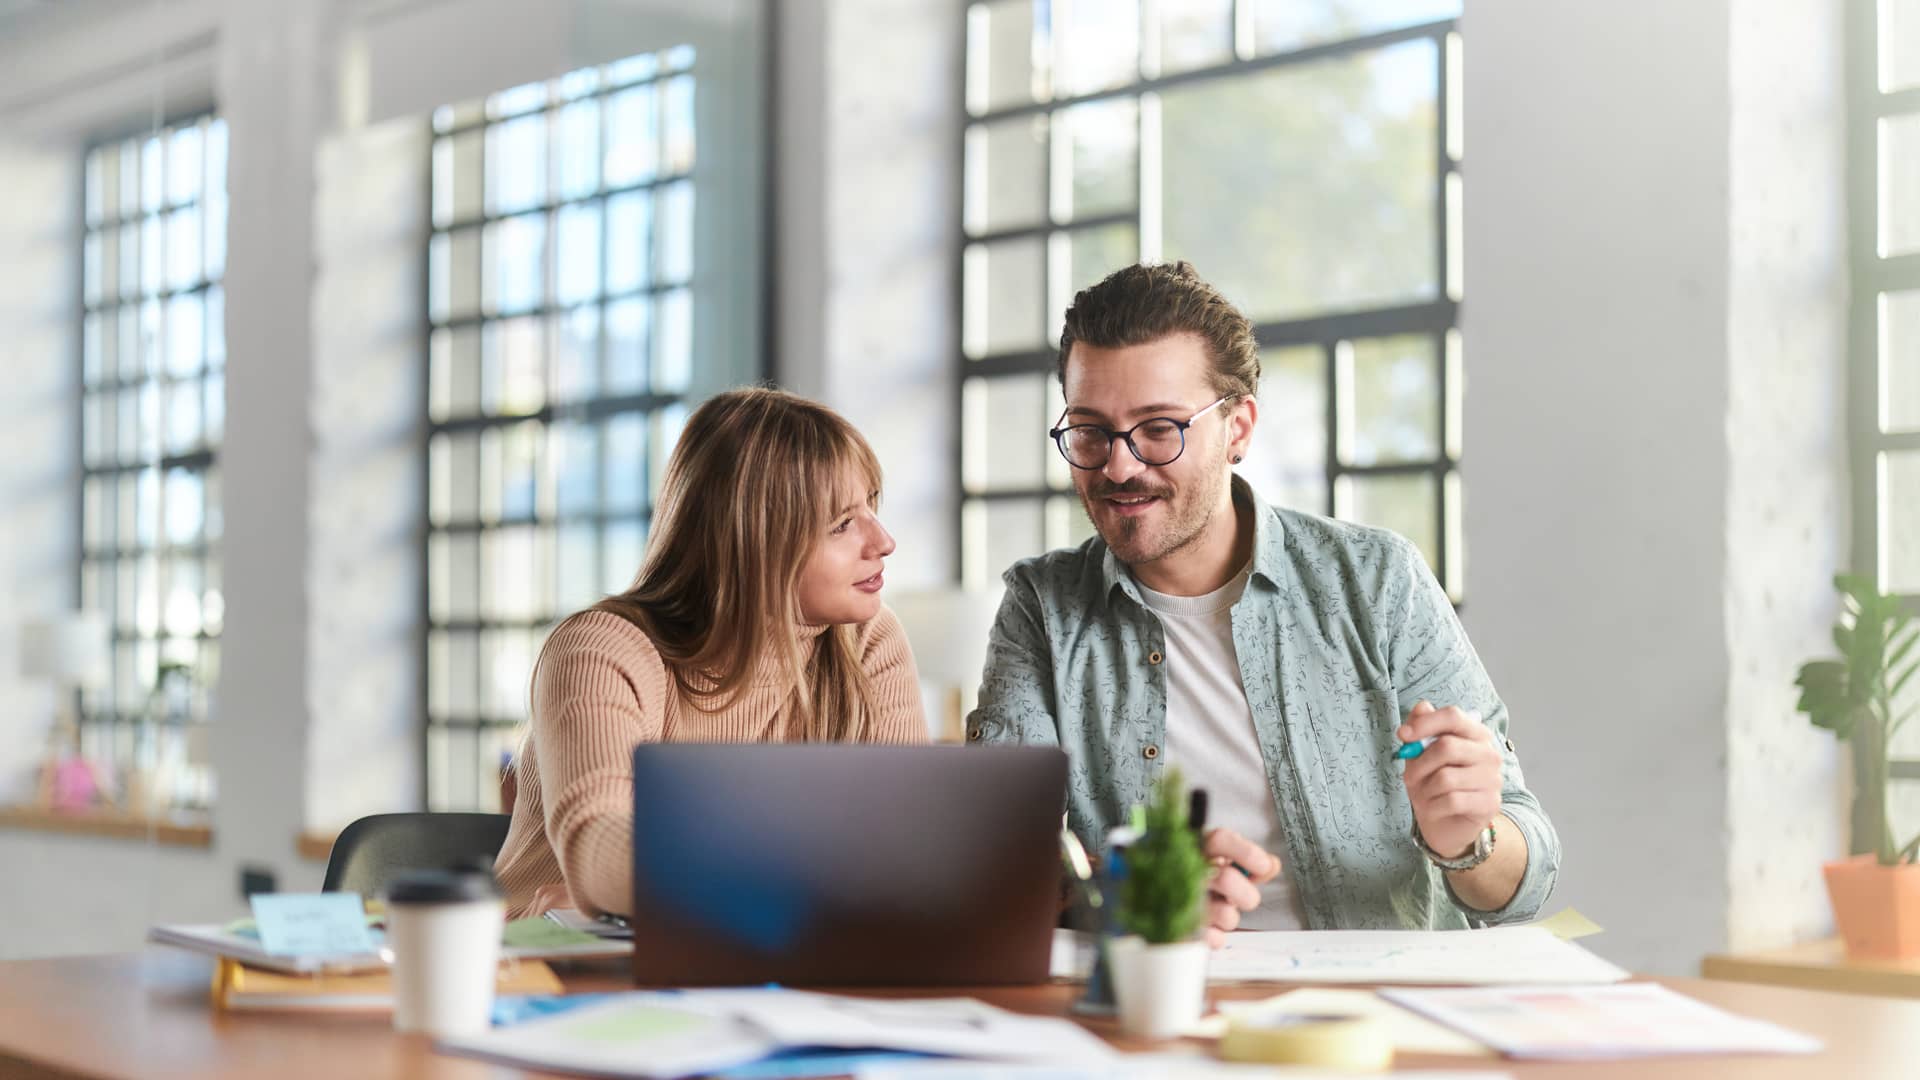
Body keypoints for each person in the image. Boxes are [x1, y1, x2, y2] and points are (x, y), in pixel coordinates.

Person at [967, 262, 1558, 943]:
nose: (1120, 467)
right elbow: (996, 862)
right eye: (1091, 432)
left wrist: (1467, 841)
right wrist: (1126, 894)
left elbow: (1522, 883)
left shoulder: (1376, 580)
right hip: (1154, 1003)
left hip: (1364, 1015)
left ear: (1239, 428)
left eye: (1159, 429)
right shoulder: (1042, 608)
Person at [494, 387, 928, 918]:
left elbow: (905, 852)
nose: (883, 541)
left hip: (764, 956)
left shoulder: (869, 643)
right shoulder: (602, 650)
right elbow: (601, 854)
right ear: (754, 541)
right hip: (546, 970)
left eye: (872, 507)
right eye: (842, 524)